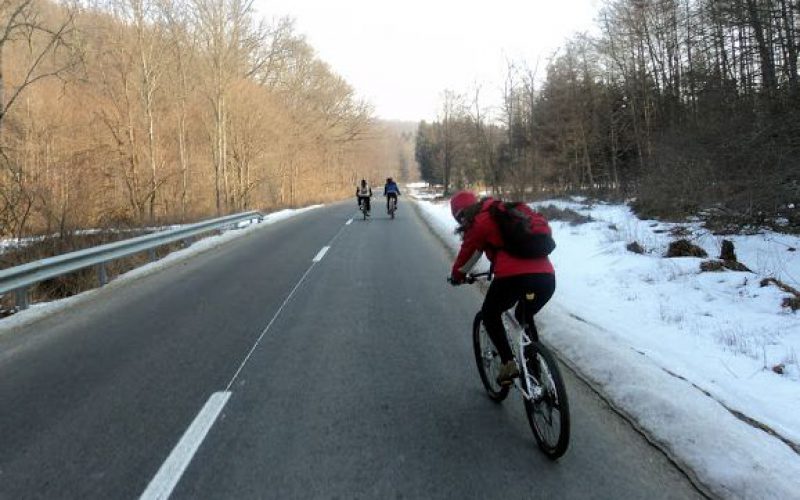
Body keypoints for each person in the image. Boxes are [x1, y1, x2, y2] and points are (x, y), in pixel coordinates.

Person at [448, 190, 556, 386]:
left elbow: (469, 254)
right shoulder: (511, 210)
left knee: (490, 314)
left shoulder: (480, 221)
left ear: (461, 214)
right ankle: (534, 370)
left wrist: (457, 276)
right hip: (546, 278)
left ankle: (508, 363)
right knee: (524, 314)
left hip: (513, 279)